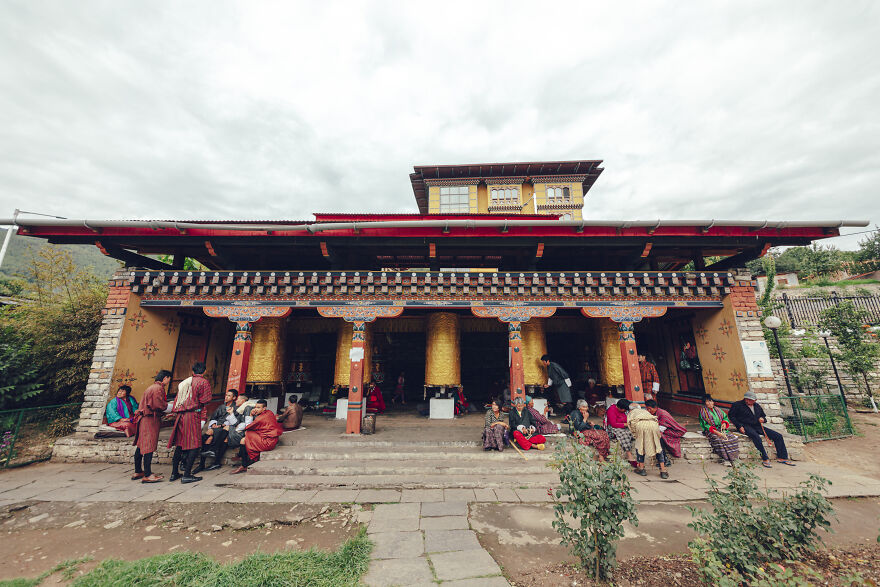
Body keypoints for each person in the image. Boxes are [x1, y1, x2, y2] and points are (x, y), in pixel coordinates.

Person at [167, 361, 213, 483]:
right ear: (204, 371)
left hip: (181, 415)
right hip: (193, 415)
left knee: (180, 444)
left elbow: (178, 399)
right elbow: (206, 399)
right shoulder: (203, 382)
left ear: (192, 371)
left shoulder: (184, 383)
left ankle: (174, 473)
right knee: (195, 445)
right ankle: (187, 474)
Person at [729, 391, 794, 468]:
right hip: (745, 425)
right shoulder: (737, 405)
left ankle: (782, 457)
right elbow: (732, 416)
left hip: (757, 426)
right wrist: (739, 426)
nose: (753, 401)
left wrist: (762, 419)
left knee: (778, 436)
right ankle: (765, 458)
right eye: (750, 400)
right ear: (746, 399)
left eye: (754, 400)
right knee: (756, 437)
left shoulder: (757, 406)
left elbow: (763, 416)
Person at [131, 370, 171, 483]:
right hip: (149, 419)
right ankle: (148, 474)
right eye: (169, 379)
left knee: (141, 444)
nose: (168, 381)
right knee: (149, 445)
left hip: (143, 418)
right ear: (165, 378)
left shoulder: (151, 387)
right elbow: (159, 405)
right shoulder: (158, 388)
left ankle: (138, 470)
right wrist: (171, 407)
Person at [231, 399, 284, 474]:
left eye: (258, 408)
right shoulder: (269, 412)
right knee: (244, 439)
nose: (256, 409)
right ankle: (242, 461)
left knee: (246, 435)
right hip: (271, 439)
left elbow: (248, 427)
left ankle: (244, 464)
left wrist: (250, 415)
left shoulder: (261, 418)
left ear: (264, 408)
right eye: (255, 407)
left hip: (267, 442)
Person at [193, 389, 238, 474]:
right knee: (208, 438)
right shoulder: (221, 406)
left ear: (234, 397)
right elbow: (213, 417)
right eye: (226, 395)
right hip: (217, 427)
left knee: (210, 432)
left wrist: (220, 425)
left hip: (226, 427)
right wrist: (213, 424)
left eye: (229, 395)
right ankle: (202, 464)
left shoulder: (236, 407)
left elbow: (234, 421)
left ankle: (196, 447)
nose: (226, 397)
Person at [627, 403, 670, 478]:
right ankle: (663, 470)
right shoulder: (645, 411)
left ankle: (641, 468)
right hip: (654, 425)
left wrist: (635, 435)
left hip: (640, 425)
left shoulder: (631, 413)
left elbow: (631, 425)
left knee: (640, 446)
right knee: (657, 446)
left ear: (630, 409)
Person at [699, 395, 740, 466]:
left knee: (732, 438)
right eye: (707, 402)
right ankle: (725, 459)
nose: (710, 403)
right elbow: (705, 425)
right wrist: (717, 432)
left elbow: (725, 417)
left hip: (721, 429)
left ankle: (734, 459)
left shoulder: (718, 409)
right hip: (711, 431)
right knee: (719, 440)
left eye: (711, 401)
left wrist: (724, 423)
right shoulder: (703, 412)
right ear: (704, 403)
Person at [644, 399, 686, 464]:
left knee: (659, 437)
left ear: (655, 408)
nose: (648, 411)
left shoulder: (663, 414)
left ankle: (664, 459)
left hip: (673, 431)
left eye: (650, 409)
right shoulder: (654, 413)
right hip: (663, 429)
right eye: (647, 409)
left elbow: (661, 429)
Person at [605, 399, 637, 466]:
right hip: (613, 428)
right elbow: (613, 424)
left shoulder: (624, 411)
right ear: (620, 407)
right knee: (624, 435)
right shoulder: (611, 410)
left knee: (632, 432)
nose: (625, 411)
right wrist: (625, 424)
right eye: (624, 410)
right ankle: (629, 455)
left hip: (623, 426)